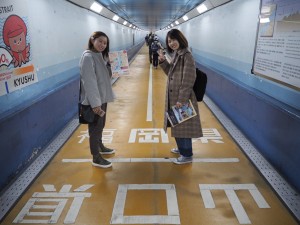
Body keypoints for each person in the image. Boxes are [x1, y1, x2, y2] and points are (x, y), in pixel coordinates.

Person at [158, 29, 203, 164]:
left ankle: (187, 154)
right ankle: (181, 148)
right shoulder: (178, 54)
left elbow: (188, 79)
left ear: (180, 39)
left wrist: (181, 100)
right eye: (169, 41)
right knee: (178, 125)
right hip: (175, 97)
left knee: (183, 127)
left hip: (182, 98)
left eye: (173, 40)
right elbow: (171, 74)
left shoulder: (187, 56)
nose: (171, 43)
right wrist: (162, 61)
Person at [79, 31, 116, 168]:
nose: (102, 45)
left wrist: (113, 68)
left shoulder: (99, 56)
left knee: (100, 125)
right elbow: (89, 82)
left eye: (105, 43)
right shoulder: (88, 57)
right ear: (92, 40)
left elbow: (104, 78)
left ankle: (100, 146)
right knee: (94, 128)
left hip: (102, 97)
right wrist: (95, 104)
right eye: (100, 41)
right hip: (94, 101)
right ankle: (96, 157)